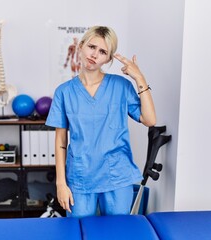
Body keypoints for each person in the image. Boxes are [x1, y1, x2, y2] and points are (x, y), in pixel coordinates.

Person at [45, 26, 156, 218]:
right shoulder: (64, 92)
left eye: (103, 51)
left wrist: (139, 77)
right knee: (79, 232)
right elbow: (61, 142)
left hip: (117, 176)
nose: (95, 54)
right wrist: (61, 183)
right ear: (81, 46)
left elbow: (149, 119)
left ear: (108, 58)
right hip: (80, 177)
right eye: (92, 47)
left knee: (116, 234)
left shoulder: (121, 86)